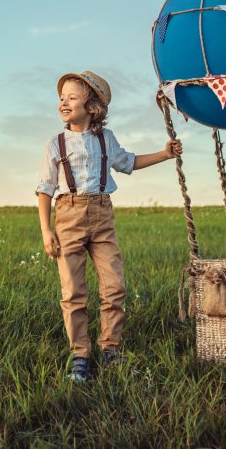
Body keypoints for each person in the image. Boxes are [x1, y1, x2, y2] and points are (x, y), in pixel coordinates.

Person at [35, 71, 182, 382]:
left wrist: (165, 154)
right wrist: (46, 230)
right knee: (74, 291)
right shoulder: (55, 144)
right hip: (68, 216)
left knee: (114, 288)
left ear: (93, 107)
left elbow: (128, 162)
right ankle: (80, 354)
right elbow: (45, 188)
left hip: (103, 214)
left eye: (72, 98)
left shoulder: (106, 139)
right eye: (62, 98)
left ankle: (110, 348)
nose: (64, 102)